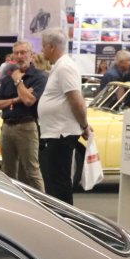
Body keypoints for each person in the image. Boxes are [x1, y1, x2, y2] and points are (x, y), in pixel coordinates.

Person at [36, 28, 89, 204]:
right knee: (53, 183)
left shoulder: (65, 67)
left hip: (61, 134)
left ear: (51, 46)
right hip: (56, 133)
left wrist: (84, 125)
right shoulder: (59, 67)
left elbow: (76, 100)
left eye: (43, 46)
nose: (42, 50)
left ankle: (64, 218)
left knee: (58, 183)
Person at [0, 40, 45, 191]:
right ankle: (11, 202)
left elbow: (29, 101)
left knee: (31, 171)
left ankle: (42, 203)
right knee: (8, 172)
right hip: (7, 127)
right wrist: (16, 99)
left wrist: (18, 81)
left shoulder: (39, 77)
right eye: (16, 53)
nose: (19, 56)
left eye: (23, 52)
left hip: (26, 126)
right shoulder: (8, 79)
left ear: (31, 55)